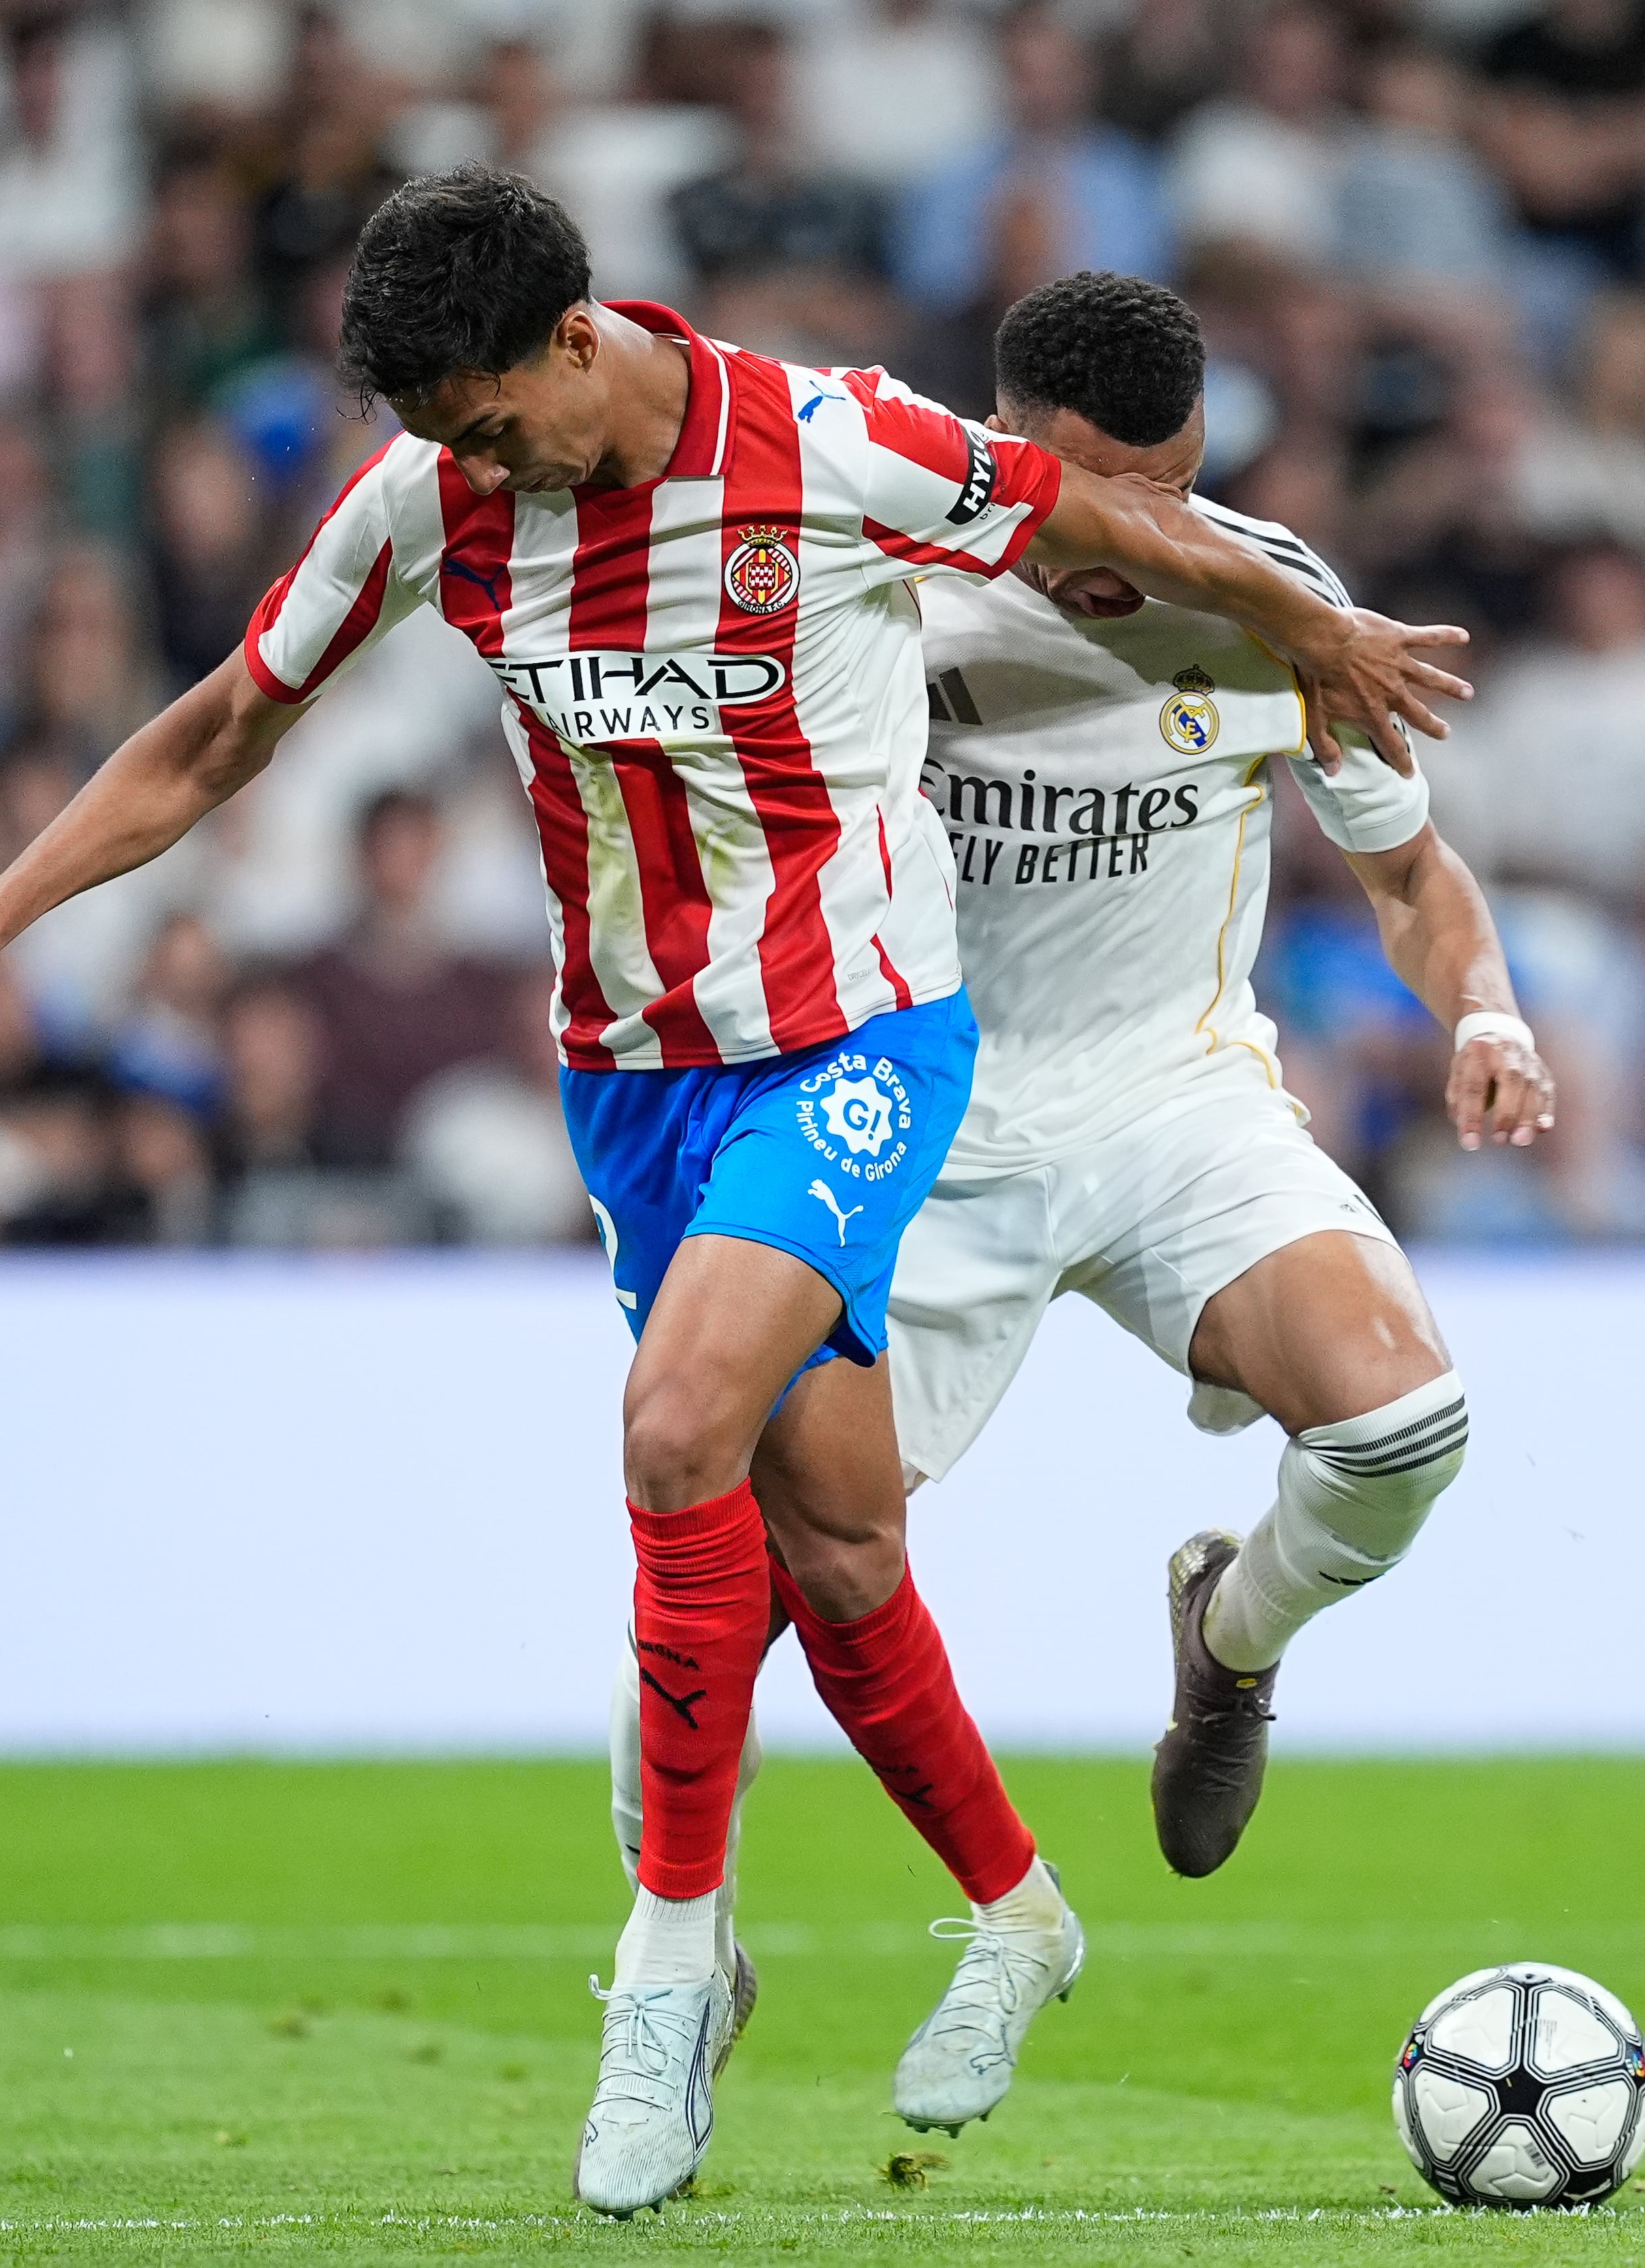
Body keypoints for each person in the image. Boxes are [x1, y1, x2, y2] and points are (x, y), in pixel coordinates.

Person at [0, 171, 1468, 2218]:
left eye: (484, 412)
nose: (465, 454)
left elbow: (1088, 517)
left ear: (572, 337)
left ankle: (666, 1970)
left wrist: (1312, 622)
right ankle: (1020, 1908)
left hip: (864, 1037)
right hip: (635, 1077)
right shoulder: (430, 501)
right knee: (838, 1541)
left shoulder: (822, 439)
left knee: (676, 1425)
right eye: (432, 425)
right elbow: (228, 724)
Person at [606, 268, 1546, 1912]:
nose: (1161, 523)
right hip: (910, 1119)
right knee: (728, 1597)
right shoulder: (872, 582)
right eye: (1122, 488)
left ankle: (1229, 1637)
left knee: (1403, 1421)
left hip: (1171, 1096)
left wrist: (1490, 1010)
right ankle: (682, 1961)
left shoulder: (1274, 597)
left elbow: (1410, 876)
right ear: (1010, 442)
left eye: (1183, 481)